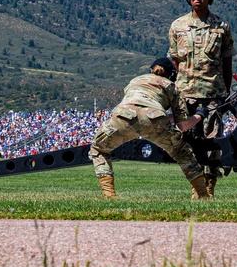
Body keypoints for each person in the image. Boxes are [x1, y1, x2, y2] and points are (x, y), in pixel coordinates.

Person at [89, 58, 211, 199]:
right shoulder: (172, 86)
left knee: (99, 149)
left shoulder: (135, 80)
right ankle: (202, 194)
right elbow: (182, 125)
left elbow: (138, 109)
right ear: (172, 74)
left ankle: (109, 194)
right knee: (182, 153)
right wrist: (199, 115)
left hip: (123, 116)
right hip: (155, 118)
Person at [169, 0, 235, 198]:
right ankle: (195, 187)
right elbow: (176, 60)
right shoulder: (177, 26)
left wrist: (225, 91)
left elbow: (227, 63)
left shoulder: (222, 27)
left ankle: (209, 187)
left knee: (212, 141)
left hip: (212, 94)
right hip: (185, 95)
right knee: (188, 144)